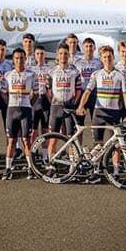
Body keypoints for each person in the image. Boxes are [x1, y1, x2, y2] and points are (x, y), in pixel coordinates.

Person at [76, 45, 126, 184]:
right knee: (98, 143)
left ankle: (116, 172)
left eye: (109, 56)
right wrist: (81, 106)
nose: (107, 59)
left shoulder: (120, 75)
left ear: (113, 57)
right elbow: (87, 92)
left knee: (116, 144)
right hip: (99, 112)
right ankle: (95, 171)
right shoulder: (96, 74)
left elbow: (125, 95)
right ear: (101, 59)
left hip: (114, 113)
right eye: (105, 57)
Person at [0, 48, 39, 180]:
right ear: (13, 60)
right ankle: (8, 168)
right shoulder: (7, 75)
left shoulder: (31, 74)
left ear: (25, 59)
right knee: (11, 140)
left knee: (26, 140)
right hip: (12, 110)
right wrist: (10, 104)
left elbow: (36, 93)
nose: (19, 60)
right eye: (16, 58)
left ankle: (30, 167)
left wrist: (29, 104)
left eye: (21, 58)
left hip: (26, 110)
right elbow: (3, 94)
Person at [45, 43, 83, 176]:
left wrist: (73, 103)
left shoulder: (75, 72)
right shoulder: (51, 72)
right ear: (57, 55)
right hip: (55, 107)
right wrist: (54, 102)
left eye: (65, 54)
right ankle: (51, 166)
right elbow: (48, 91)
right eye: (61, 54)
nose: (63, 56)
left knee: (70, 137)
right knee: (53, 137)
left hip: (69, 107)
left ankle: (72, 167)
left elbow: (78, 91)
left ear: (69, 55)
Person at [29, 45, 52, 155]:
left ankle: (44, 155)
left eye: (42, 54)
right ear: (34, 55)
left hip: (45, 100)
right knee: (33, 131)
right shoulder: (30, 69)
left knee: (45, 131)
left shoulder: (50, 69)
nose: (40, 56)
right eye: (37, 54)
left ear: (45, 55)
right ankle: (33, 154)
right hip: (34, 100)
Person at [74, 37, 103, 120]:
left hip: (94, 93)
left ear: (94, 48)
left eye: (91, 46)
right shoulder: (77, 62)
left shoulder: (99, 63)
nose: (89, 48)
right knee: (79, 121)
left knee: (95, 120)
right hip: (81, 93)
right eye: (86, 46)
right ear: (83, 48)